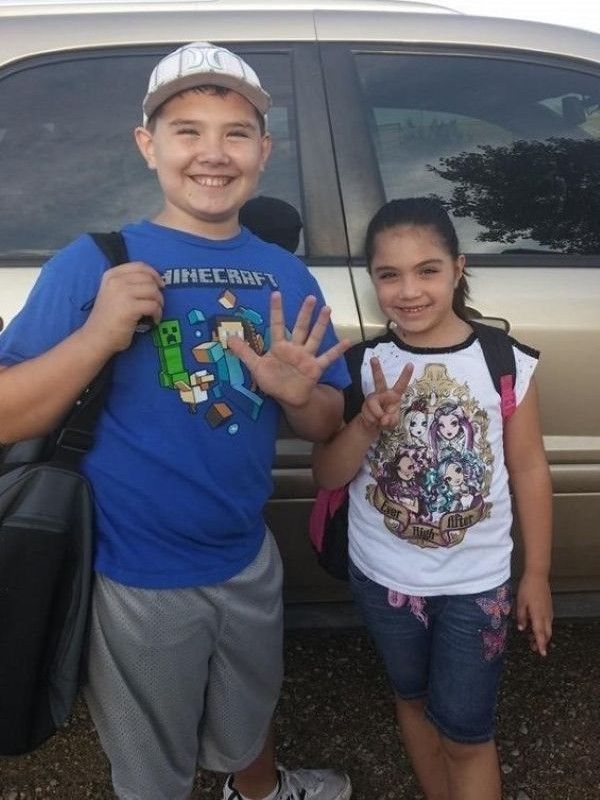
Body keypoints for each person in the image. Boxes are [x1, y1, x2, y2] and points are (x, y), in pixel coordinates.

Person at [0, 42, 353, 800]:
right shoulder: (95, 262)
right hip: (138, 578)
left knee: (244, 721)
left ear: (264, 151)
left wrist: (298, 394)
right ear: (148, 144)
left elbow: (327, 424)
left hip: (247, 557)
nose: (212, 154)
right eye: (187, 130)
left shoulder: (285, 274)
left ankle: (254, 788)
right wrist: (97, 336)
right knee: (152, 769)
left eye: (236, 133)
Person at [312, 197, 553, 800]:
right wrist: (365, 424)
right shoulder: (365, 364)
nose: (409, 291)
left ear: (458, 268)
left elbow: (529, 468)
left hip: (478, 585)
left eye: (428, 270)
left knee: (468, 736)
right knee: (413, 701)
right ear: (372, 280)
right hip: (384, 581)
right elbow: (328, 474)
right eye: (389, 274)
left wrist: (537, 574)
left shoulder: (503, 360)